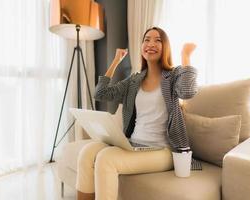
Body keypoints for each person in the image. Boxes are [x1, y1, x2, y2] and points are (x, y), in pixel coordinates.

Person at [76, 27, 199, 200]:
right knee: (87, 152)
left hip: (163, 150)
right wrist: (116, 61)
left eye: (158, 40)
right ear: (141, 46)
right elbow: (101, 94)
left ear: (165, 47)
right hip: (133, 144)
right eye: (147, 39)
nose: (151, 44)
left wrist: (186, 55)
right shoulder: (135, 80)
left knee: (106, 159)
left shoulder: (172, 76)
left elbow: (187, 92)